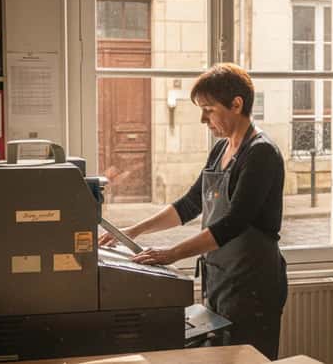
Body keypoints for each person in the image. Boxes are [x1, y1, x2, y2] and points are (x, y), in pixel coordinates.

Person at [99, 63, 288, 360]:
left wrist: (170, 254)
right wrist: (133, 231)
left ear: (236, 104)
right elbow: (190, 204)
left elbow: (233, 223)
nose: (203, 119)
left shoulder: (261, 153)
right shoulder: (220, 149)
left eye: (209, 109)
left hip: (252, 286)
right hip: (220, 281)